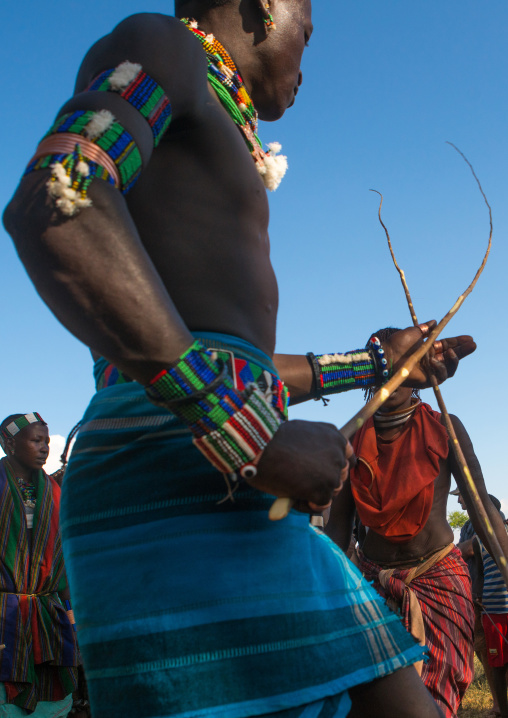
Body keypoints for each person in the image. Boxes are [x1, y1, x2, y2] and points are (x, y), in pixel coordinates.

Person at [3, 2, 477, 716]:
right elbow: (59, 194)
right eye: (306, 31)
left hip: (205, 453)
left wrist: (379, 363)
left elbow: (229, 360)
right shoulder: (161, 47)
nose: (307, 60)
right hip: (179, 467)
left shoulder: (210, 115)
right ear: (261, 5)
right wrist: (249, 434)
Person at [326, 327, 508, 718]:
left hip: (439, 579)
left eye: (403, 364)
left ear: (422, 372)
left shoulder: (447, 427)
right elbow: (337, 534)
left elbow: (482, 510)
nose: (392, 375)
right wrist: (321, 602)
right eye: (384, 364)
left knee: (434, 706)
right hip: (373, 588)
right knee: (370, 702)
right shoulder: (351, 440)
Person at [0, 413, 80, 716]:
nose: (45, 447)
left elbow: (66, 556)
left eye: (46, 441)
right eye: (36, 440)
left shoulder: (57, 492)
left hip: (49, 615)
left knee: (53, 698)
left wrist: (71, 615)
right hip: (3, 616)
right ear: (8, 443)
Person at [457, 491, 507, 717]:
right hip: (489, 608)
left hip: (502, 608)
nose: (459, 500)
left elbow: (463, 551)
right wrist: (477, 593)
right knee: (493, 657)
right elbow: (478, 568)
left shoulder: (501, 533)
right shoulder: (477, 535)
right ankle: (500, 707)